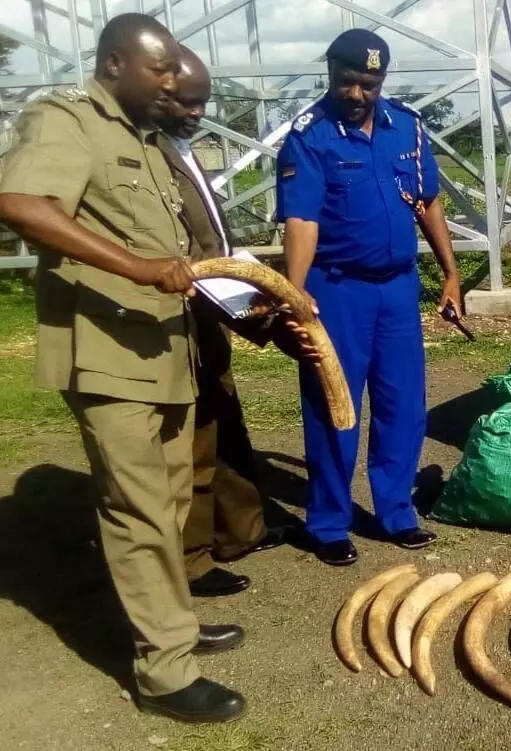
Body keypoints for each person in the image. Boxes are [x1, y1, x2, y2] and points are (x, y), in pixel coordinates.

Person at [0, 13, 245, 723]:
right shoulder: (66, 119)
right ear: (114, 64)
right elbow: (20, 202)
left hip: (162, 350)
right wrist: (136, 267)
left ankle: (166, 621)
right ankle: (165, 671)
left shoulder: (142, 137)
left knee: (168, 503)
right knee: (139, 509)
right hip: (107, 354)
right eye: (160, 69)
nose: (173, 82)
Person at [274, 28, 462, 566]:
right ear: (330, 73)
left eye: (369, 84)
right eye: (347, 82)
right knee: (335, 404)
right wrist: (294, 291)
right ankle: (329, 521)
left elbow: (427, 203)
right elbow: (302, 219)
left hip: (399, 289)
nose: (357, 94)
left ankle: (396, 512)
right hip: (337, 289)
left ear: (383, 81)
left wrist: (449, 274)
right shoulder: (311, 136)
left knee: (403, 405)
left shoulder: (408, 126)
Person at [154, 46, 316, 597]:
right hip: (179, 315)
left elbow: (211, 241)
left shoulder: (180, 147)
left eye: (203, 103)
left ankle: (242, 531)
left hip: (211, 306)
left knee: (224, 419)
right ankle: (194, 559)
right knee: (195, 437)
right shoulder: (147, 151)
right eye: (186, 102)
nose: (198, 113)